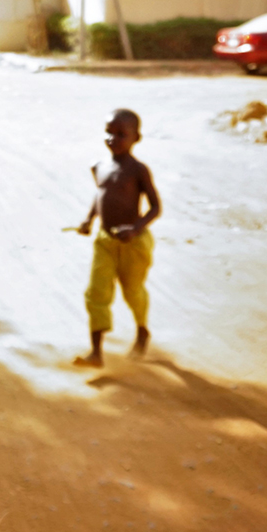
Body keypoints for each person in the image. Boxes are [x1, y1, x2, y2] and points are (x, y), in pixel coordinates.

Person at [73, 109, 162, 368]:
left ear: (137, 138)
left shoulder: (138, 170)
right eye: (109, 133)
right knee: (96, 292)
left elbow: (156, 207)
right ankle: (96, 352)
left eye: (121, 134)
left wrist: (135, 228)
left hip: (133, 244)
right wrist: (89, 220)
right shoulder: (98, 166)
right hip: (106, 240)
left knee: (133, 291)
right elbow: (101, 194)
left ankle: (142, 329)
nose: (114, 138)